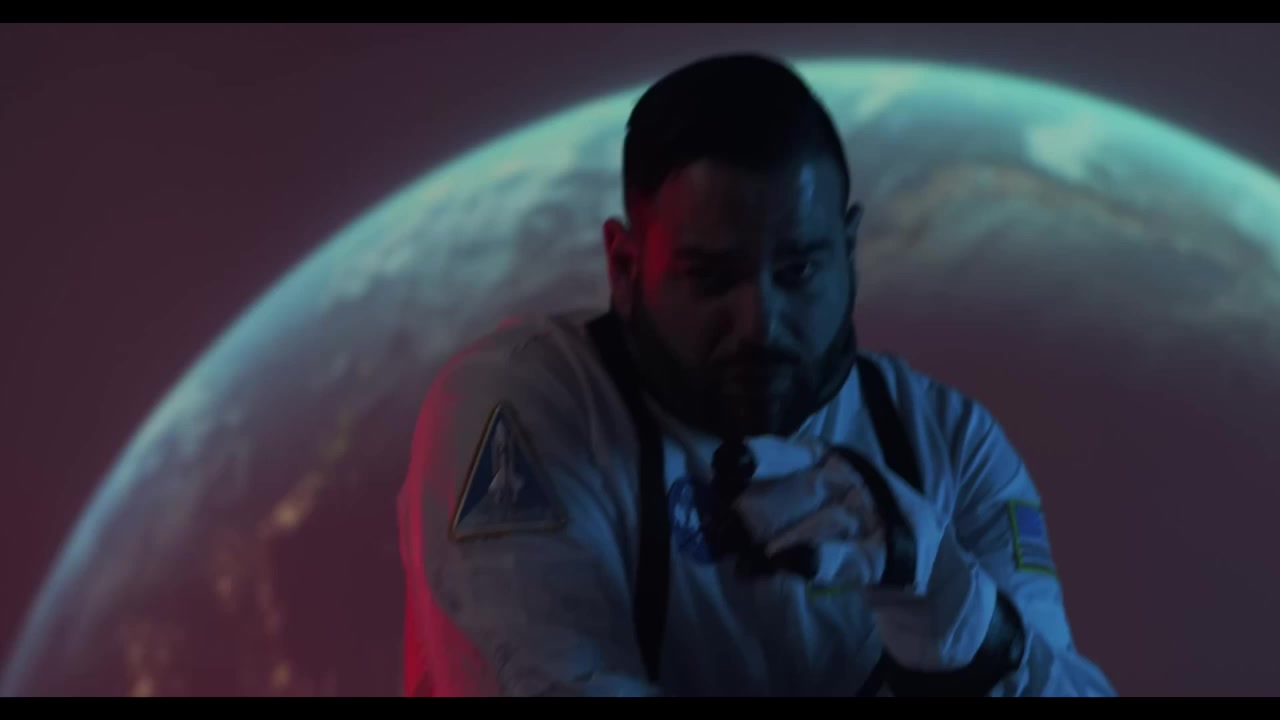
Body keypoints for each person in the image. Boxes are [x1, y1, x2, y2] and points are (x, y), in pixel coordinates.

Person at [396, 53, 1116, 697]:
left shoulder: (950, 445)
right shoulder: (522, 409)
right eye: (711, 279)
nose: (760, 325)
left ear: (849, 251)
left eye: (798, 271)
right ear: (624, 266)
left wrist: (950, 601)